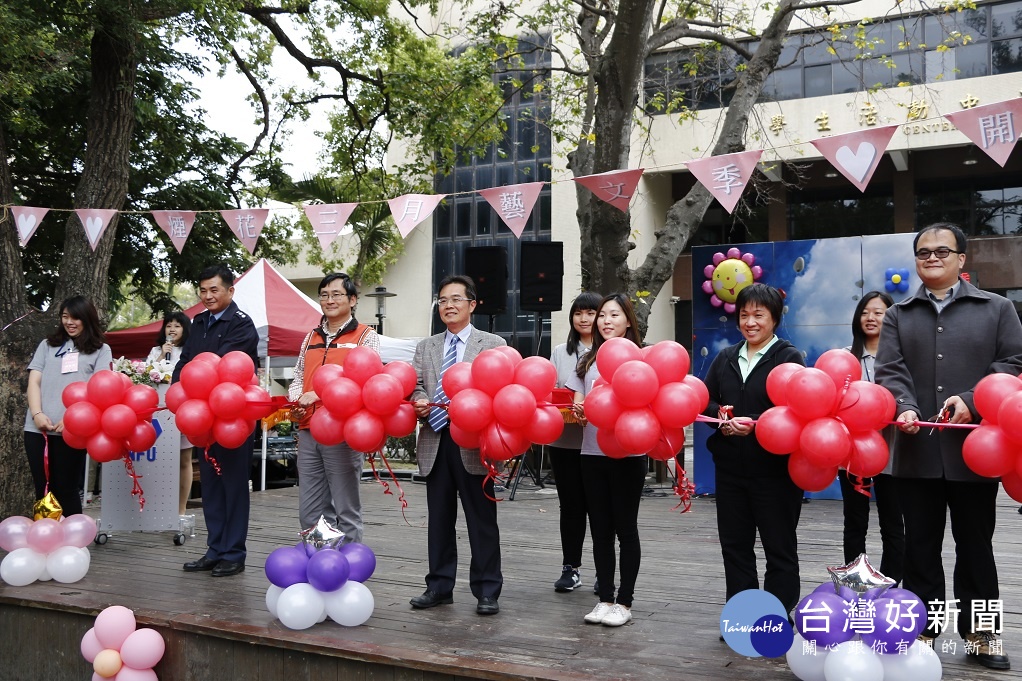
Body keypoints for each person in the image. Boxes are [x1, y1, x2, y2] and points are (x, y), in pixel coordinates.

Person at [876, 223, 1022, 670]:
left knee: (975, 546)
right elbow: (890, 369)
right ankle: (924, 633)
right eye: (923, 252)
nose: (932, 257)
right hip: (916, 450)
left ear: (962, 259)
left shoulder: (997, 309)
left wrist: (975, 400)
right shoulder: (899, 314)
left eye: (943, 251)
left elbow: (1013, 362)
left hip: (976, 451)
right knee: (919, 547)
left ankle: (982, 637)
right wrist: (903, 405)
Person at [702, 283, 805, 617]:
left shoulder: (789, 358)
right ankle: (745, 614)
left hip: (775, 471)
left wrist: (756, 423)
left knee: (779, 547)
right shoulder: (726, 357)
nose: (750, 322)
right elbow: (705, 400)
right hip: (731, 469)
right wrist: (720, 418)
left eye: (758, 315)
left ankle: (774, 617)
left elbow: (797, 409)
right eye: (744, 314)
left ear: (773, 318)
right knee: (735, 546)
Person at [409, 274, 506, 616]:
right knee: (439, 519)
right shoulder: (426, 346)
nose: (448, 305)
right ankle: (438, 586)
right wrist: (420, 399)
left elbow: (504, 390)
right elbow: (415, 384)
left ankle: (487, 589)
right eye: (442, 300)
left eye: (455, 299)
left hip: (474, 442)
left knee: (481, 519)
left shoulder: (493, 344)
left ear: (473, 304)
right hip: (436, 438)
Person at [174, 264, 259, 578]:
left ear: (230, 291)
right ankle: (215, 549)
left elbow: (224, 368)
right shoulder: (198, 321)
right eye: (203, 290)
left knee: (233, 486)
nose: (207, 295)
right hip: (202, 418)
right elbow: (186, 361)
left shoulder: (242, 325)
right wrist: (176, 389)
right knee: (209, 485)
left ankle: (234, 553)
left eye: (214, 290)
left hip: (232, 417)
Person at [567, 293, 646, 627]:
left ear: (628, 320)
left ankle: (624, 602)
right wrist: (578, 411)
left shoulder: (641, 359)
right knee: (599, 528)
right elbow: (577, 402)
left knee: (625, 528)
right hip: (592, 453)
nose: (605, 320)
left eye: (614, 314)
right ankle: (605, 599)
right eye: (602, 315)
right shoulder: (587, 358)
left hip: (629, 453)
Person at [289, 273, 380, 542]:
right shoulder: (310, 336)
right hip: (308, 430)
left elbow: (366, 382)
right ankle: (322, 566)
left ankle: (350, 569)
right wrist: (298, 401)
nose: (330, 300)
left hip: (343, 430)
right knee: (310, 510)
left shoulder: (366, 335)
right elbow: (298, 375)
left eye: (337, 294)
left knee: (345, 507)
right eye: (325, 294)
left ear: (352, 300)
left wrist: (318, 395)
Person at [24, 296, 112, 517]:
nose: (69, 322)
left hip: (73, 431)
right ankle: (47, 545)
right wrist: (37, 414)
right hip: (38, 428)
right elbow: (34, 381)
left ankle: (73, 546)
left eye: (76, 317)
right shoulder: (47, 345)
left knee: (66, 489)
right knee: (43, 490)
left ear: (87, 319)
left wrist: (74, 420)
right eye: (65, 317)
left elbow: (101, 390)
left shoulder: (101, 350)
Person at [838, 292, 904, 583]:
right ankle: (857, 580)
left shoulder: (901, 360)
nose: (871, 318)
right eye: (866, 312)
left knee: (892, 522)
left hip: (892, 451)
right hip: (852, 455)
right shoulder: (843, 358)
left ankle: (891, 583)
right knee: (855, 521)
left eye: (879, 312)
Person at [549, 291, 601, 592]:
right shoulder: (560, 351)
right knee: (570, 506)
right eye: (578, 312)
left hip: (598, 442)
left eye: (590, 312)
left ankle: (601, 571)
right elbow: (552, 389)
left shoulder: (610, 350)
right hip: (565, 440)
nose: (584, 318)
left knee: (599, 506)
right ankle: (571, 567)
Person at [146, 311, 194, 516]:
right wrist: (159, 355)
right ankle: (157, 507)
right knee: (159, 458)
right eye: (169, 325)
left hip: (181, 410)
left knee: (184, 459)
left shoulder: (190, 351)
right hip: (159, 412)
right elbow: (144, 375)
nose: (172, 329)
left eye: (177, 325)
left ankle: (181, 509)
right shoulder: (156, 350)